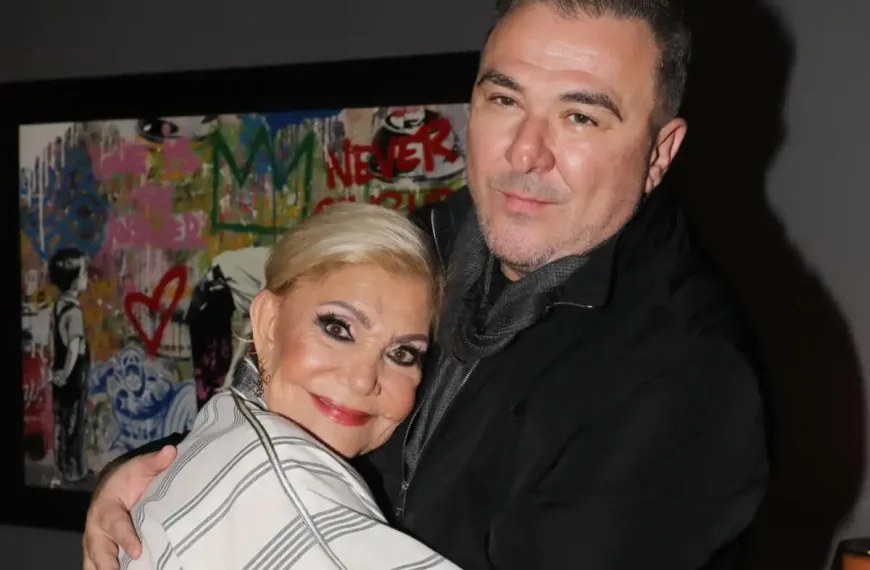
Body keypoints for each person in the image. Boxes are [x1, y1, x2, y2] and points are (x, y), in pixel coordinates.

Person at [84, 1, 771, 569]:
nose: (525, 152)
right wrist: (141, 476)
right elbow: (281, 402)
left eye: (580, 116)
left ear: (659, 153)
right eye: (505, 99)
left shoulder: (688, 377)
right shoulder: (420, 246)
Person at [118, 203, 459, 569]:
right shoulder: (292, 500)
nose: (363, 380)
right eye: (338, 329)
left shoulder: (227, 420)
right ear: (268, 323)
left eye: (402, 353)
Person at [47, 246, 91, 483]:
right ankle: (74, 471)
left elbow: (54, 340)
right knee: (75, 422)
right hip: (74, 376)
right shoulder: (74, 313)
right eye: (84, 273)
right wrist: (66, 372)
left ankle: (64, 465)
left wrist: (55, 370)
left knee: (63, 422)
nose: (87, 277)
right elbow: (74, 346)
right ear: (74, 281)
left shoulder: (58, 306)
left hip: (61, 374)